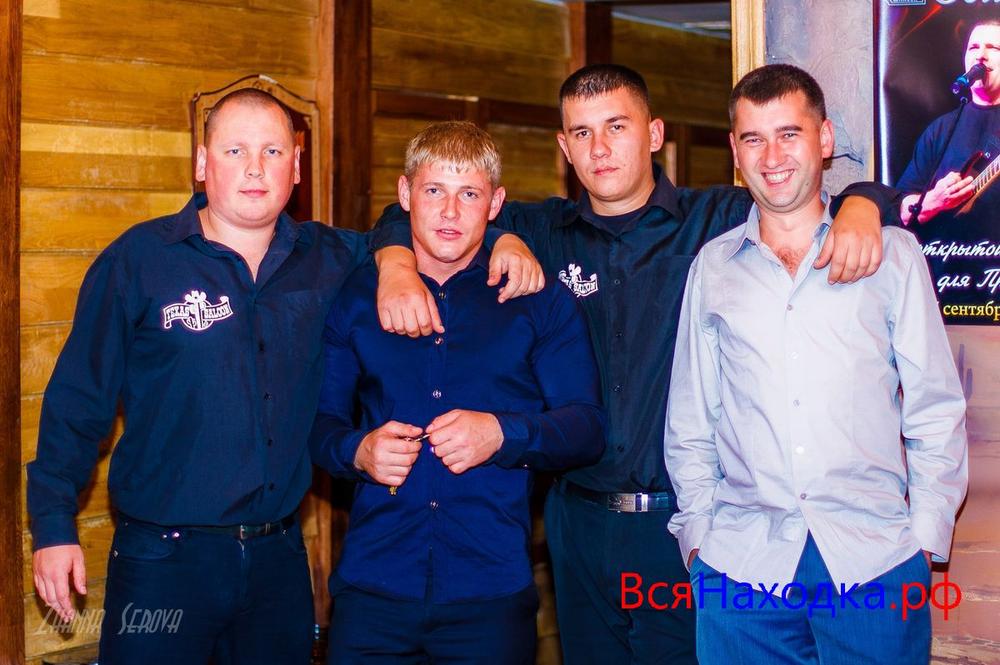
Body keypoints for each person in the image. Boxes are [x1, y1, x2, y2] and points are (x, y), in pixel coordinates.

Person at [373, 64, 902, 664]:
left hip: (684, 522)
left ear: (654, 134)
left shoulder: (719, 220)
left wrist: (862, 206)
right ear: (564, 147)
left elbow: (818, 194)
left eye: (616, 127)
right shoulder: (540, 230)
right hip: (576, 520)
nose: (599, 148)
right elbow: (414, 212)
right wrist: (397, 264)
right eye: (582, 132)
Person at [26, 90, 540, 665]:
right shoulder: (139, 261)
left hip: (278, 562)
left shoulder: (330, 257)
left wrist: (477, 243)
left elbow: (416, 219)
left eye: (272, 151)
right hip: (162, 561)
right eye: (236, 150)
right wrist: (53, 526)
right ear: (201, 163)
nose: (255, 168)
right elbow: (78, 402)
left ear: (295, 167)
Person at [665, 64, 968, 665]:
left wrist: (923, 540)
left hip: (874, 562)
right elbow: (692, 418)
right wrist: (699, 540)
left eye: (789, 133)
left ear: (824, 139)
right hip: (742, 569)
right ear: (735, 151)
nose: (772, 156)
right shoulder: (713, 268)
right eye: (753, 139)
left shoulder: (893, 257)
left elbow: (935, 407)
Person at [308, 120, 605, 664]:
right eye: (434, 191)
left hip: (489, 594)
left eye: (469, 194)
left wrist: (501, 434)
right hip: (373, 591)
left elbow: (587, 428)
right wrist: (358, 450)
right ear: (405, 194)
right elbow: (320, 427)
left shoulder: (536, 298)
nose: (449, 212)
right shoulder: (359, 295)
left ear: (496, 204)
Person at [897, 19, 1000, 311]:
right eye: (974, 47)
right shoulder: (942, 129)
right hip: (944, 294)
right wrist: (933, 201)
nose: (981, 55)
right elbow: (898, 209)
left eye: (993, 48)